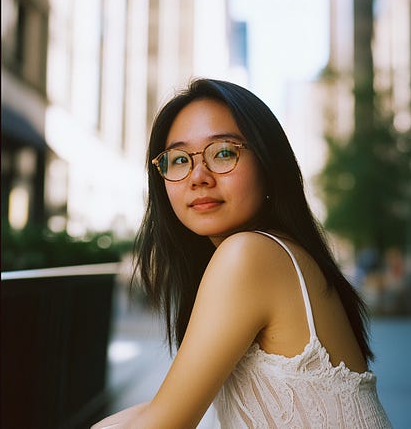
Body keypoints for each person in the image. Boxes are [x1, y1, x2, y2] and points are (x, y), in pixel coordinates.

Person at [92, 78, 392, 428]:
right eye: (177, 159)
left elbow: (163, 423)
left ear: (268, 164)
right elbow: (160, 410)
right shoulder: (273, 251)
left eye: (223, 152)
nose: (197, 176)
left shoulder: (249, 254)